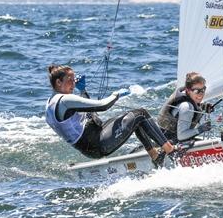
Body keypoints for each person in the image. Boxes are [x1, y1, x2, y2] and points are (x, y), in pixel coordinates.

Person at [45, 64, 173, 167]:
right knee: (141, 114)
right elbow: (102, 106)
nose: (73, 84)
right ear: (58, 82)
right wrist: (115, 95)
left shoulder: (51, 102)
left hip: (91, 142)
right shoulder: (64, 100)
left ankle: (156, 157)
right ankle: (171, 152)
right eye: (69, 80)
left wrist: (83, 91)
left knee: (135, 118)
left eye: (74, 80)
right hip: (97, 143)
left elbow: (88, 112)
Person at [158, 72, 213, 143]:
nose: (201, 94)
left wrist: (203, 107)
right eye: (197, 91)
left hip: (172, 139)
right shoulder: (186, 107)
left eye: (203, 90)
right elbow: (181, 136)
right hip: (168, 143)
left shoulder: (190, 99)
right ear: (188, 91)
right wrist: (200, 129)